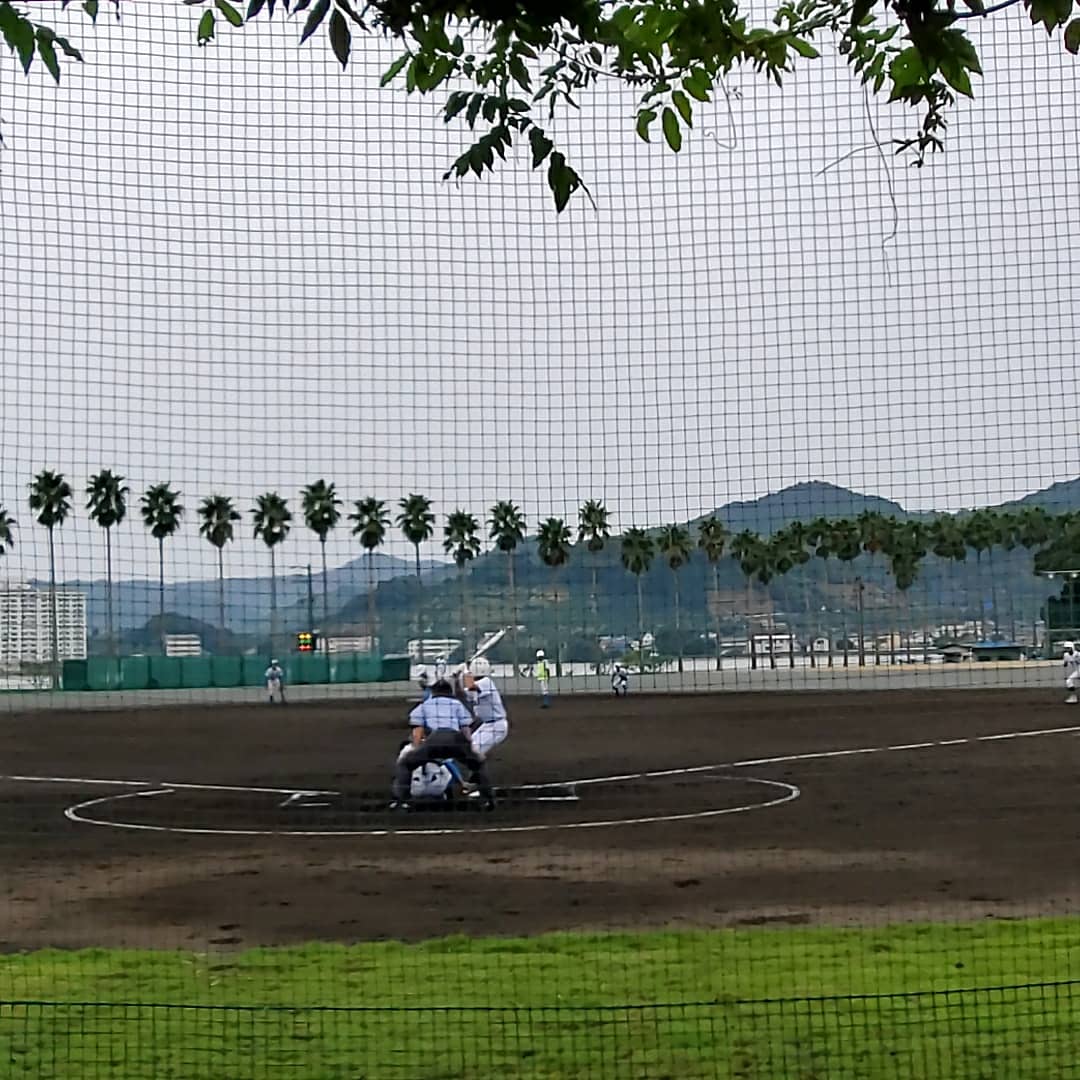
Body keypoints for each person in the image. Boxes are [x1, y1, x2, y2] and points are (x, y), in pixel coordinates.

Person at [391, 679, 495, 810]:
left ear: (433, 692)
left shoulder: (425, 705)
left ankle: (403, 801)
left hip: (434, 740)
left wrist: (416, 748)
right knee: (478, 765)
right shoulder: (456, 704)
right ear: (450, 692)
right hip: (456, 741)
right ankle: (488, 800)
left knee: (405, 764)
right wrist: (471, 749)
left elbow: (418, 730)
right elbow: (465, 729)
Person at [463, 656, 509, 759]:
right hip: (487, 725)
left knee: (474, 751)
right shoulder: (479, 684)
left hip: (496, 726)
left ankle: (479, 773)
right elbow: (464, 692)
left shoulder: (486, 682)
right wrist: (458, 675)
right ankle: (477, 769)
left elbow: (471, 686)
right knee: (468, 747)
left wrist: (466, 671)